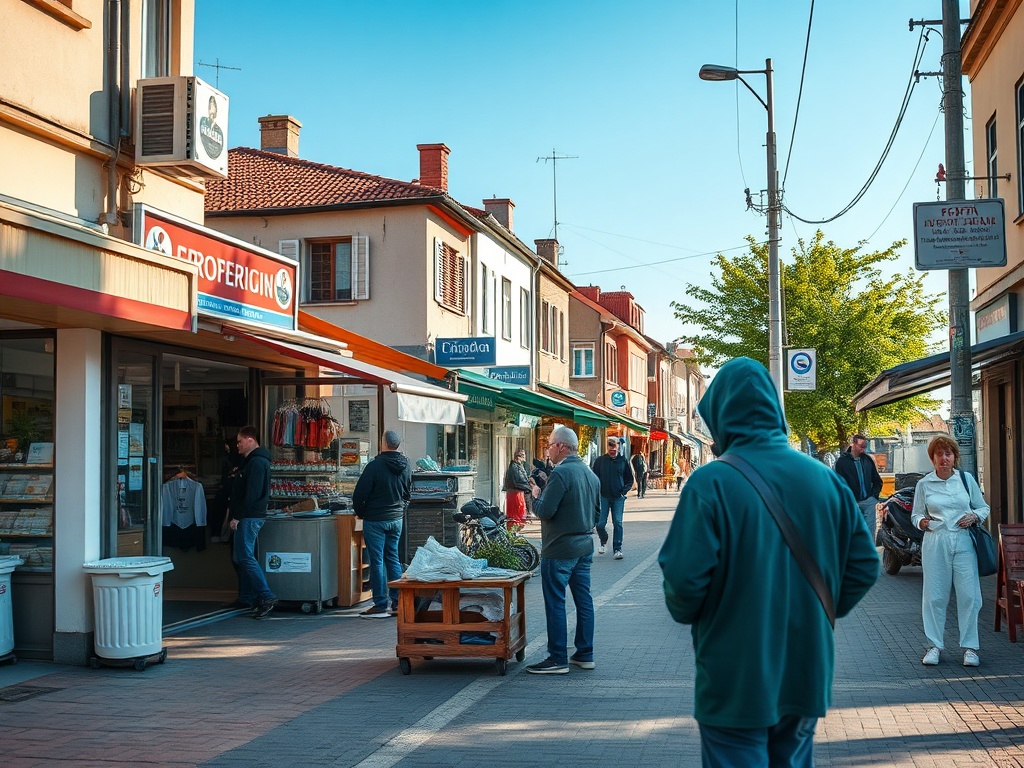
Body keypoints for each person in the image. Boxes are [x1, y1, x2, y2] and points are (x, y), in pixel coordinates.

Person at [658, 357, 879, 767]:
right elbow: (865, 565)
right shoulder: (826, 480)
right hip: (806, 666)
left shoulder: (710, 484)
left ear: (722, 416)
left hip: (733, 671)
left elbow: (683, 584)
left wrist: (707, 617)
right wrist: (820, 610)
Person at [527, 426, 601, 674]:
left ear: (560, 446)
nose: (548, 450)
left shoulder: (560, 473)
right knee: (584, 601)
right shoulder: (590, 474)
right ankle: (585, 653)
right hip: (584, 546)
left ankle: (557, 657)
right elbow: (598, 514)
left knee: (556, 602)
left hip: (559, 547)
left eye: (549, 445)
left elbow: (545, 511)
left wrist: (535, 495)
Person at [911, 435, 989, 667]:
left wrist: (974, 516)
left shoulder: (966, 480)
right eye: (939, 454)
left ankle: (970, 648)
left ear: (955, 457)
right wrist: (922, 522)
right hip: (936, 541)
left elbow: (983, 507)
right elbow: (916, 514)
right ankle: (934, 646)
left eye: (948, 453)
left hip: (964, 541)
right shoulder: (924, 484)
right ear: (933, 458)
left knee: (969, 596)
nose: (944, 458)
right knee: (934, 596)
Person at [352, 429, 412, 619]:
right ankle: (397, 602)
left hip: (375, 519)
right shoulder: (406, 465)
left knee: (377, 561)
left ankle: (379, 604)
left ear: (383, 443)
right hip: (396, 519)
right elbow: (408, 494)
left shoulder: (374, 466)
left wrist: (362, 513)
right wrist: (400, 510)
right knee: (392, 558)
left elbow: (359, 495)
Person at [228, 426, 277, 619]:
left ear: (250, 440)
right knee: (242, 557)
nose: (237, 445)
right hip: (250, 516)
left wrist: (237, 517)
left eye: (240, 441)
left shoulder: (256, 463)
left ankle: (265, 595)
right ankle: (248, 597)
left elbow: (252, 494)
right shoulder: (252, 462)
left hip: (249, 517)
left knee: (245, 557)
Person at [590, 436, 634, 559]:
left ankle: (617, 549)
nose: (612, 449)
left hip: (618, 497)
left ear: (618, 447)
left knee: (618, 523)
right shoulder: (600, 461)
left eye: (614, 446)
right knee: (600, 524)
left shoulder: (623, 461)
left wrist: (624, 491)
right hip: (603, 497)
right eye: (610, 446)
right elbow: (594, 478)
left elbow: (629, 479)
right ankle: (603, 540)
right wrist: (595, 493)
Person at [834, 433, 884, 536]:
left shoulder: (867, 460)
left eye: (865, 446)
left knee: (870, 530)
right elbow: (838, 484)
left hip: (868, 501)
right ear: (853, 444)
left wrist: (874, 497)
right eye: (861, 446)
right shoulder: (842, 462)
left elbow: (877, 480)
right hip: (852, 502)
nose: (863, 449)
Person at [503, 448, 531, 528]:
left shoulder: (518, 466)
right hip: (515, 493)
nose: (524, 457)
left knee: (519, 513)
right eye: (523, 455)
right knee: (515, 514)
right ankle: (514, 529)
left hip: (517, 492)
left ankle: (516, 528)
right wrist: (528, 487)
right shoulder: (514, 467)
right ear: (519, 457)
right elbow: (518, 481)